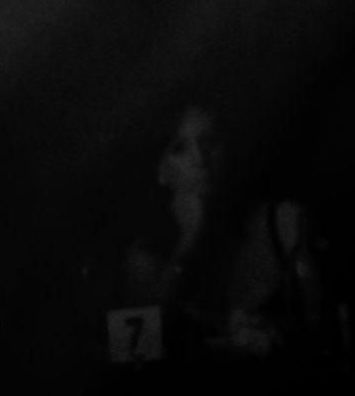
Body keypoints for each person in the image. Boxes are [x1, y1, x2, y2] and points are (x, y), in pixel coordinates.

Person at [116, 102, 324, 362]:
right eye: (180, 148)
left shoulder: (279, 223)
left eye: (209, 142)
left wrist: (275, 335)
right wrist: (188, 239)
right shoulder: (144, 255)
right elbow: (133, 356)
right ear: (163, 171)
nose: (200, 159)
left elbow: (324, 326)